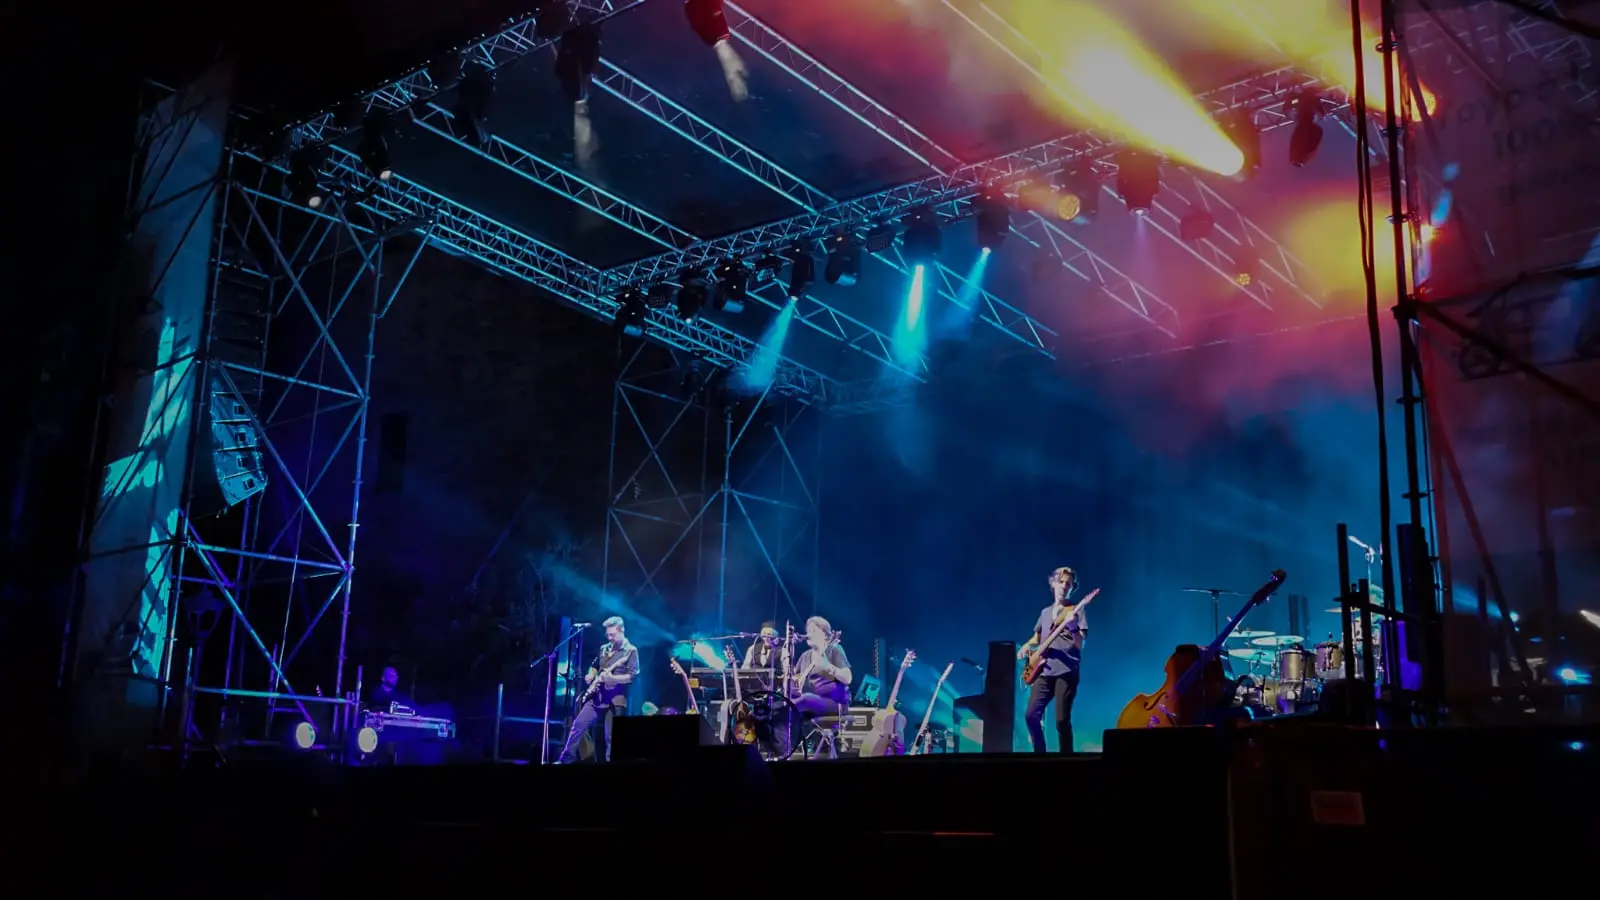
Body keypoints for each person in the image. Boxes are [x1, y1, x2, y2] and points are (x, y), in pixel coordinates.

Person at [1018, 566, 1089, 753]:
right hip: (1044, 670)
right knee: (1031, 715)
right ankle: (1040, 754)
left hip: (1066, 672)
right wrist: (1027, 646)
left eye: (1069, 583)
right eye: (1061, 582)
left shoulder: (1075, 611)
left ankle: (1067, 760)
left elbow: (1080, 644)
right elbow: (1038, 638)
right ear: (1053, 583)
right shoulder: (1045, 613)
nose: (1064, 586)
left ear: (1073, 587)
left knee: (1061, 720)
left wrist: (1073, 626)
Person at [557, 616, 639, 764]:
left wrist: (613, 679)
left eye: (613, 635)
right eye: (607, 634)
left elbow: (633, 677)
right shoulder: (604, 648)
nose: (609, 637)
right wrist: (591, 675)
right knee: (578, 725)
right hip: (597, 696)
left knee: (611, 737)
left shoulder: (631, 651)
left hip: (616, 699)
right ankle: (565, 760)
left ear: (622, 631)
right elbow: (595, 665)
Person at [777, 616, 852, 758]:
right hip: (810, 703)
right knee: (784, 701)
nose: (808, 633)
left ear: (825, 634)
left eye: (813, 630)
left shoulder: (834, 650)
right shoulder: (805, 656)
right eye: (807, 630)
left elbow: (848, 678)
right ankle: (782, 746)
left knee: (805, 699)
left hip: (835, 704)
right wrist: (786, 667)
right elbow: (794, 682)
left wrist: (828, 667)